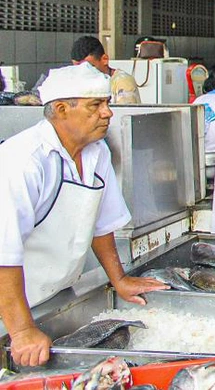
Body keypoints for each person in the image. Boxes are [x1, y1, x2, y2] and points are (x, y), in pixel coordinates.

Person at [0, 64, 168, 367]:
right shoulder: (23, 161)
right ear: (62, 109)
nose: (108, 113)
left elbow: (99, 223)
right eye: (96, 105)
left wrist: (119, 279)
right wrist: (22, 329)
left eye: (107, 103)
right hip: (9, 306)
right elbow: (3, 252)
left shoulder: (96, 152)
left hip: (53, 294)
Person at [70, 36, 141, 104]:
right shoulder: (78, 82)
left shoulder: (123, 82)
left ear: (104, 59)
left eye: (90, 68)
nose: (84, 73)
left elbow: (124, 114)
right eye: (78, 69)